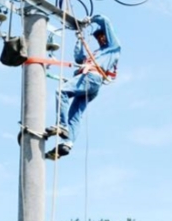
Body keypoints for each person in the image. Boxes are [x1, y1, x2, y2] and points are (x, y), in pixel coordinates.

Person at [46, 13, 120, 160]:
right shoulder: (97, 54)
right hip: (91, 83)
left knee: (62, 91)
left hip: (91, 78)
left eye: (102, 35)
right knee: (75, 114)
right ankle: (67, 143)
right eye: (98, 37)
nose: (100, 39)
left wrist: (90, 19)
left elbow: (105, 20)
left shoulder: (113, 47)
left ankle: (62, 125)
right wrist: (80, 39)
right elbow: (79, 59)